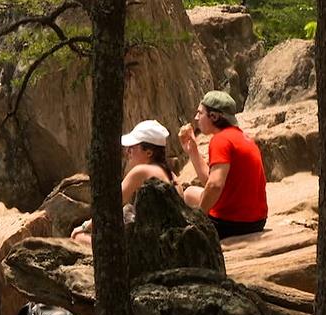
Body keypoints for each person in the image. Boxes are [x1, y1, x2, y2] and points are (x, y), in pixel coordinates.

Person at [71, 119, 179, 242]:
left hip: (152, 246)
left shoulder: (141, 171)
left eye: (132, 147)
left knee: (78, 237)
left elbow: (109, 206)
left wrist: (85, 226)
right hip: (169, 243)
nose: (128, 152)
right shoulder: (173, 177)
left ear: (149, 152)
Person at [179, 90, 268, 239]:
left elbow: (214, 186)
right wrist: (193, 151)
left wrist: (199, 220)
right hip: (257, 221)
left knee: (186, 201)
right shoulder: (242, 138)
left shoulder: (220, 140)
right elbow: (211, 182)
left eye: (200, 113)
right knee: (190, 193)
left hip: (232, 224)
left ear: (214, 116)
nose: (196, 118)